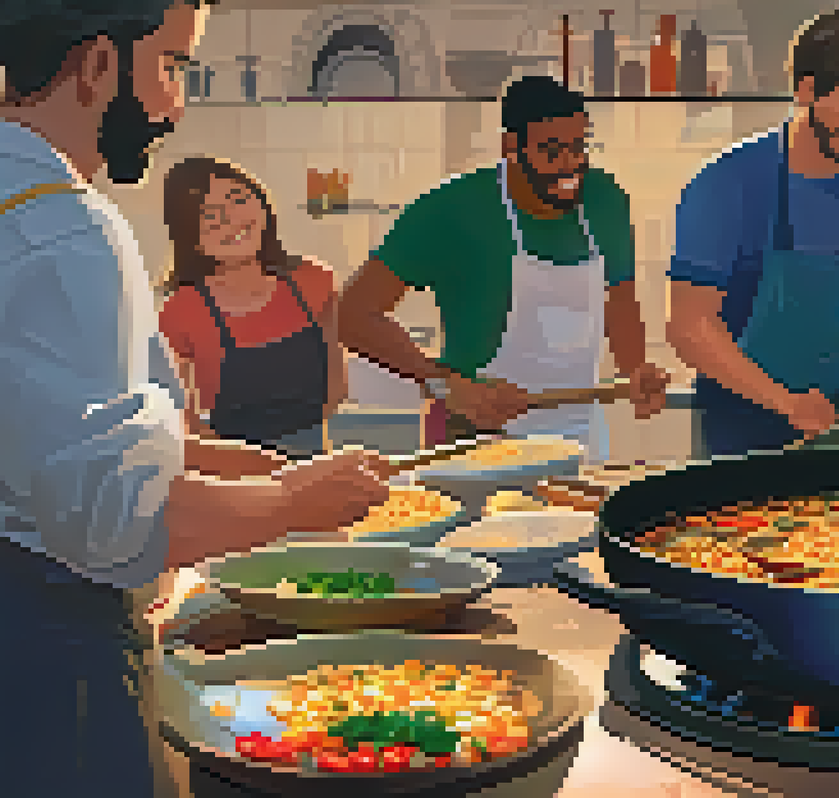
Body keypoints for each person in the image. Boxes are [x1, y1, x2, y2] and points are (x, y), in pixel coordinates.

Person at [0, 2, 390, 793]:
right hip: (55, 645)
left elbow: (33, 432)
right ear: (97, 64)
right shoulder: (66, 228)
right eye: (172, 67)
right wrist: (286, 498)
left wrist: (204, 458)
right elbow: (115, 517)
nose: (175, 106)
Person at [339, 75, 669, 462]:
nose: (570, 166)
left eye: (579, 149)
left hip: (580, 429)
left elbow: (620, 299)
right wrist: (444, 383)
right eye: (551, 151)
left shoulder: (606, 200)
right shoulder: (451, 210)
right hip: (477, 433)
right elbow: (353, 315)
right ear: (510, 146)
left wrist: (636, 369)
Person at [667, 9, 839, 455]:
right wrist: (788, 403)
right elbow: (689, 326)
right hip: (740, 424)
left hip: (835, 417)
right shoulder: (729, 182)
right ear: (806, 91)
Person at [158, 157, 346, 457]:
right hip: (233, 475)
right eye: (208, 213)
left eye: (237, 199)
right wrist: (247, 466)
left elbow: (336, 379)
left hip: (313, 463)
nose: (230, 219)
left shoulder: (315, 281)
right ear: (188, 234)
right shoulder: (179, 312)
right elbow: (181, 418)